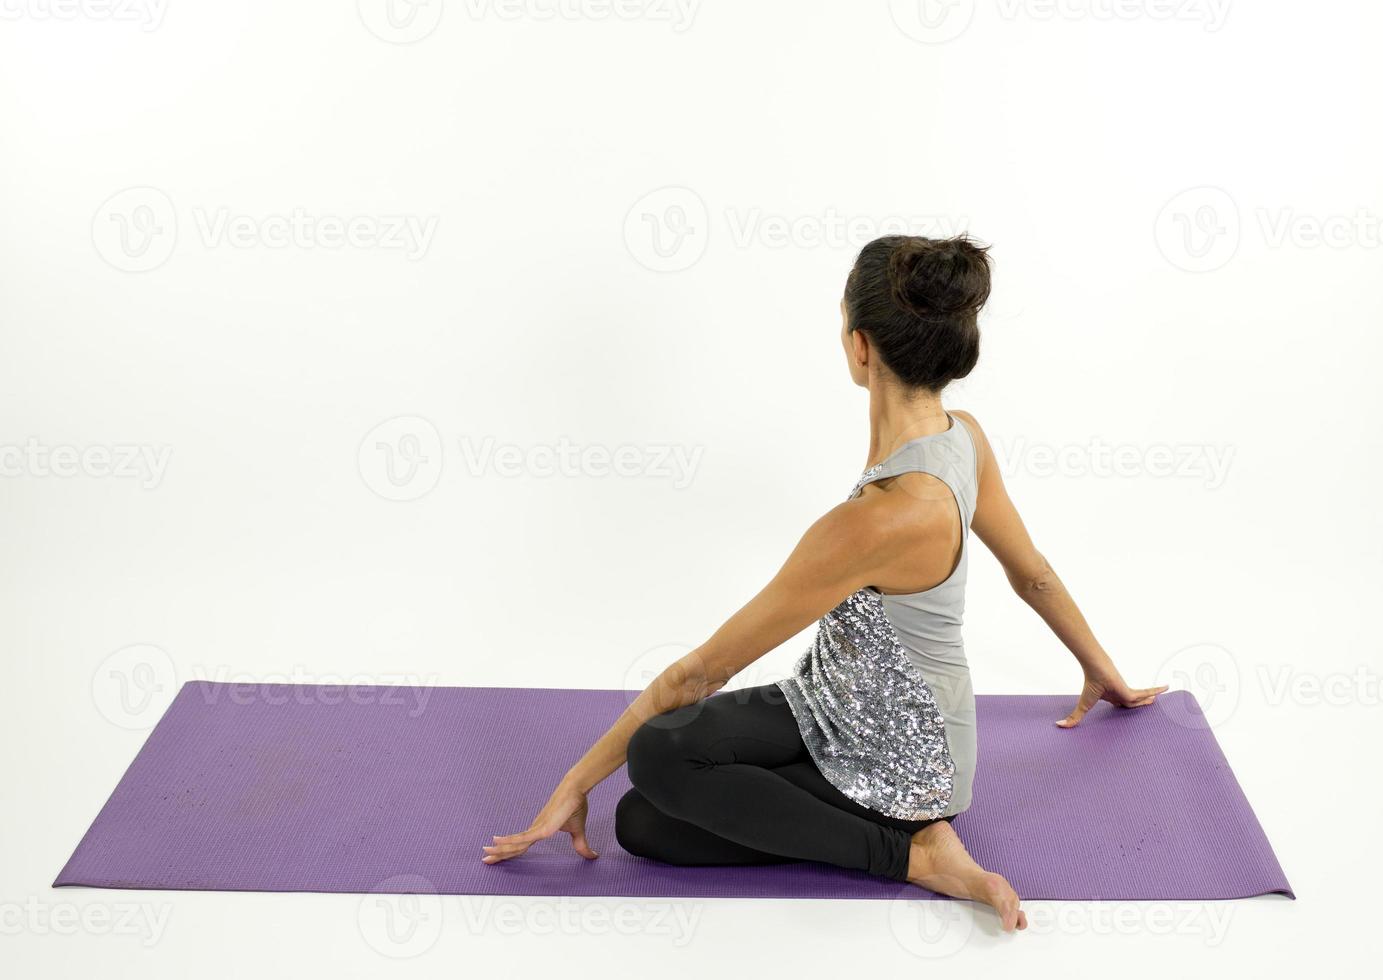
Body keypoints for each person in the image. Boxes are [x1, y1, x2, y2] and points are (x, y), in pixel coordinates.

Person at [481, 235, 1167, 933]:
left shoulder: (873, 521)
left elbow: (700, 674)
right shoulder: (964, 437)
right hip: (833, 700)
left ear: (860, 346)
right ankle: (879, 826)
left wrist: (571, 784)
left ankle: (915, 852)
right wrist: (1099, 670)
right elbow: (1034, 573)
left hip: (907, 760)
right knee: (643, 822)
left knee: (656, 754)